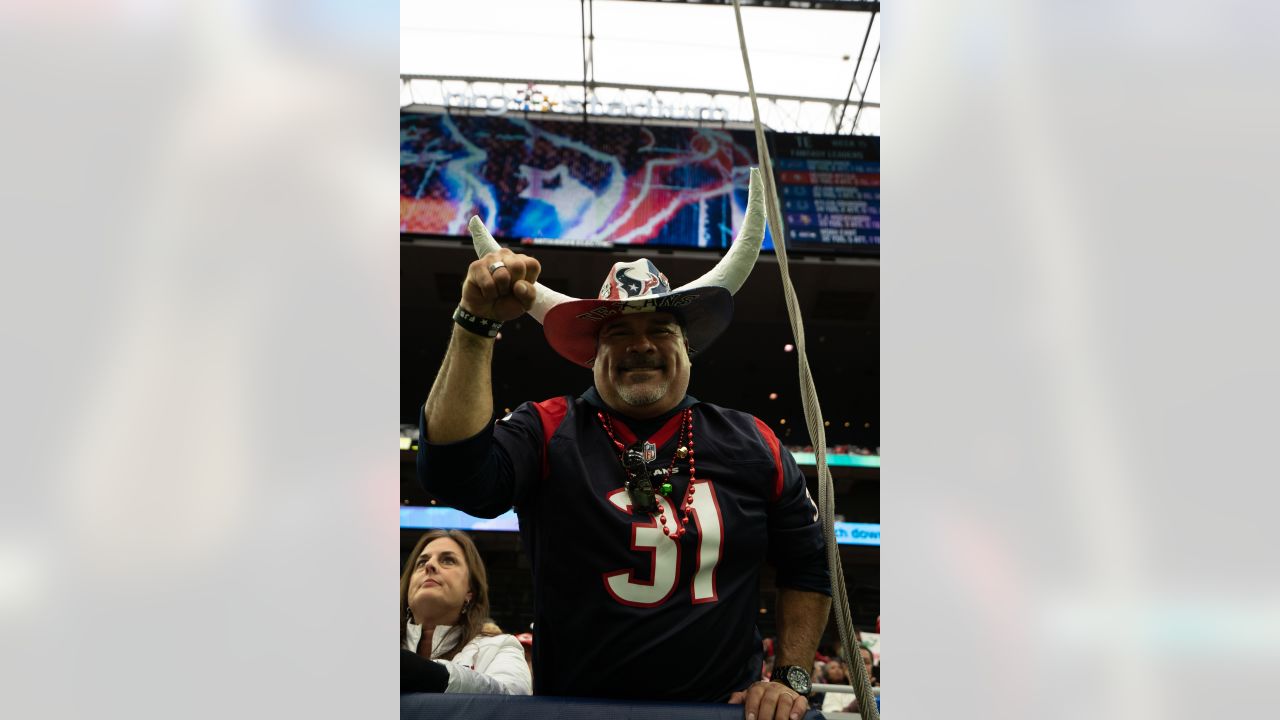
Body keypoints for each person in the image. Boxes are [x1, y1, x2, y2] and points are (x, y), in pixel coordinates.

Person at [418, 169, 831, 720]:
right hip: (577, 713)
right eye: (616, 333)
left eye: (661, 329)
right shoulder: (547, 427)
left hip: (717, 714)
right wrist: (474, 326)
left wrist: (792, 677)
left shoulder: (753, 441)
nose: (640, 345)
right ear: (592, 356)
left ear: (689, 348)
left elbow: (808, 564)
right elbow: (453, 477)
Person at [399, 530, 532, 695]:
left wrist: (430, 674)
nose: (429, 565)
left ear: (470, 591)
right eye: (421, 562)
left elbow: (514, 700)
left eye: (448, 560)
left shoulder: (499, 646)